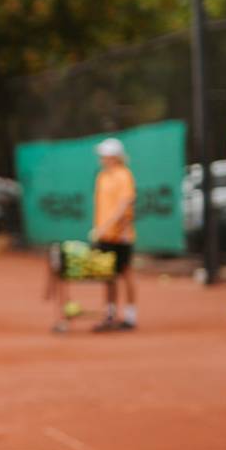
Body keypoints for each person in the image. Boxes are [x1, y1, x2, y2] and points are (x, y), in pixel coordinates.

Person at [90, 137, 138, 332]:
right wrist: (100, 229)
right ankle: (110, 314)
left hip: (121, 236)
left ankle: (130, 316)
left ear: (114, 157)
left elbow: (124, 204)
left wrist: (109, 226)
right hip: (104, 236)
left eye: (105, 155)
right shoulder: (101, 177)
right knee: (107, 275)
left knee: (125, 273)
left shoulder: (124, 175)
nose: (102, 159)